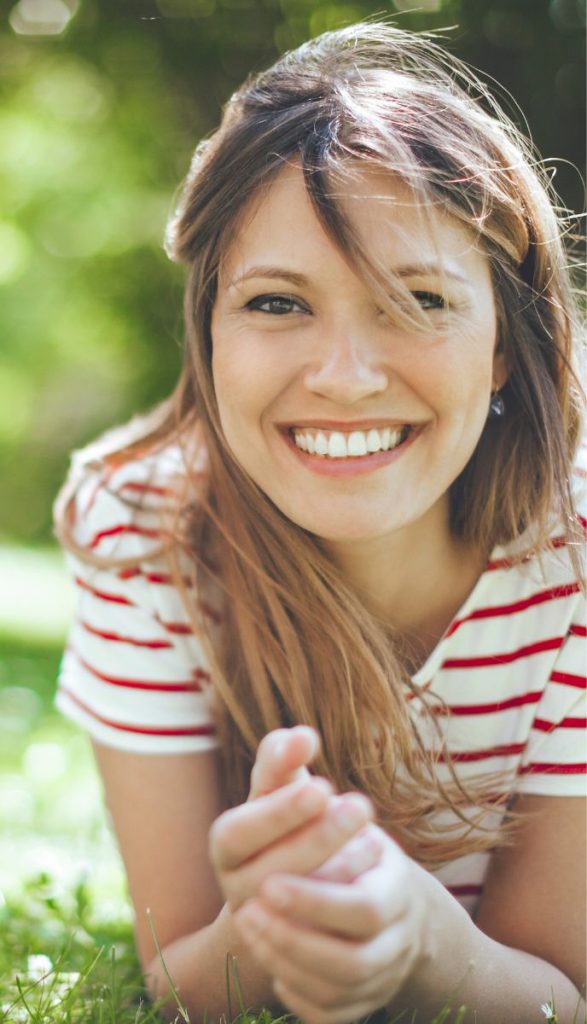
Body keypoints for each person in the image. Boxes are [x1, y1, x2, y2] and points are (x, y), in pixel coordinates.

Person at [53, 21, 586, 1023]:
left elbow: (560, 990)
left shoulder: (574, 557)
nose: (343, 377)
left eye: (418, 298)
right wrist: (268, 930)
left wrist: (424, 945)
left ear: (506, 350)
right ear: (206, 333)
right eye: (275, 304)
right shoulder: (142, 530)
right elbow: (179, 984)